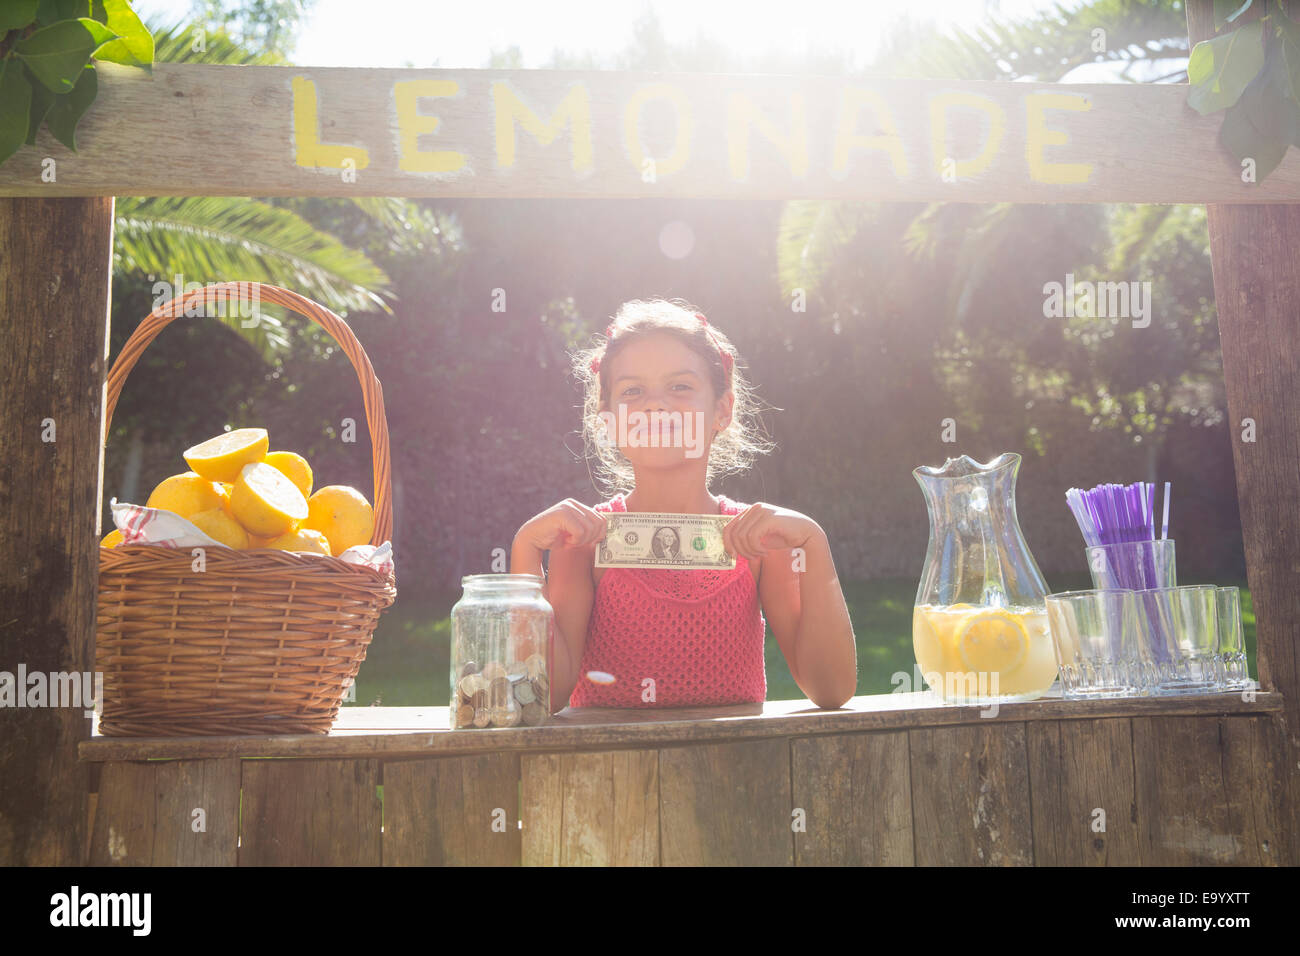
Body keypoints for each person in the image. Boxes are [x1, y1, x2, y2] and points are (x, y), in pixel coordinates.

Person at [510, 298, 857, 711]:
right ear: (608, 418)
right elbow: (543, 696)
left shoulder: (760, 543)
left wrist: (814, 542)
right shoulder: (584, 541)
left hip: (742, 772)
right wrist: (525, 550)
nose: (655, 405)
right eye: (633, 390)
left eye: (680, 386)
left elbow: (832, 689)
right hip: (604, 774)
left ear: (721, 410)